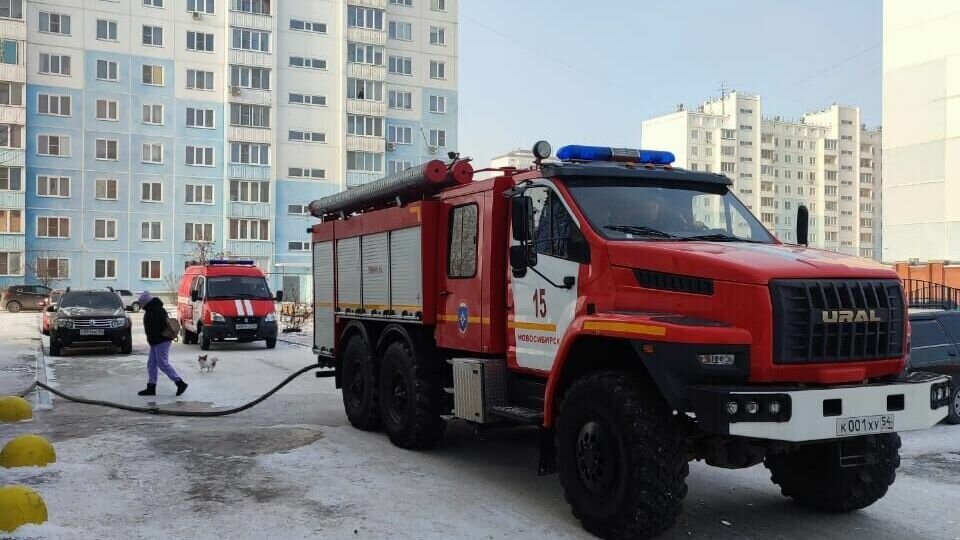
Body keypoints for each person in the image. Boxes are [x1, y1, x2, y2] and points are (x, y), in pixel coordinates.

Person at [137, 291, 188, 397]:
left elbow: (159, 327)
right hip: (156, 341)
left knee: (162, 363)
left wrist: (154, 337)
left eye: (141, 303)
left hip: (162, 340)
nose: (141, 306)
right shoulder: (152, 309)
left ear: (146, 302)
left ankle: (180, 383)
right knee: (151, 364)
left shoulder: (156, 310)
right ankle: (151, 387)